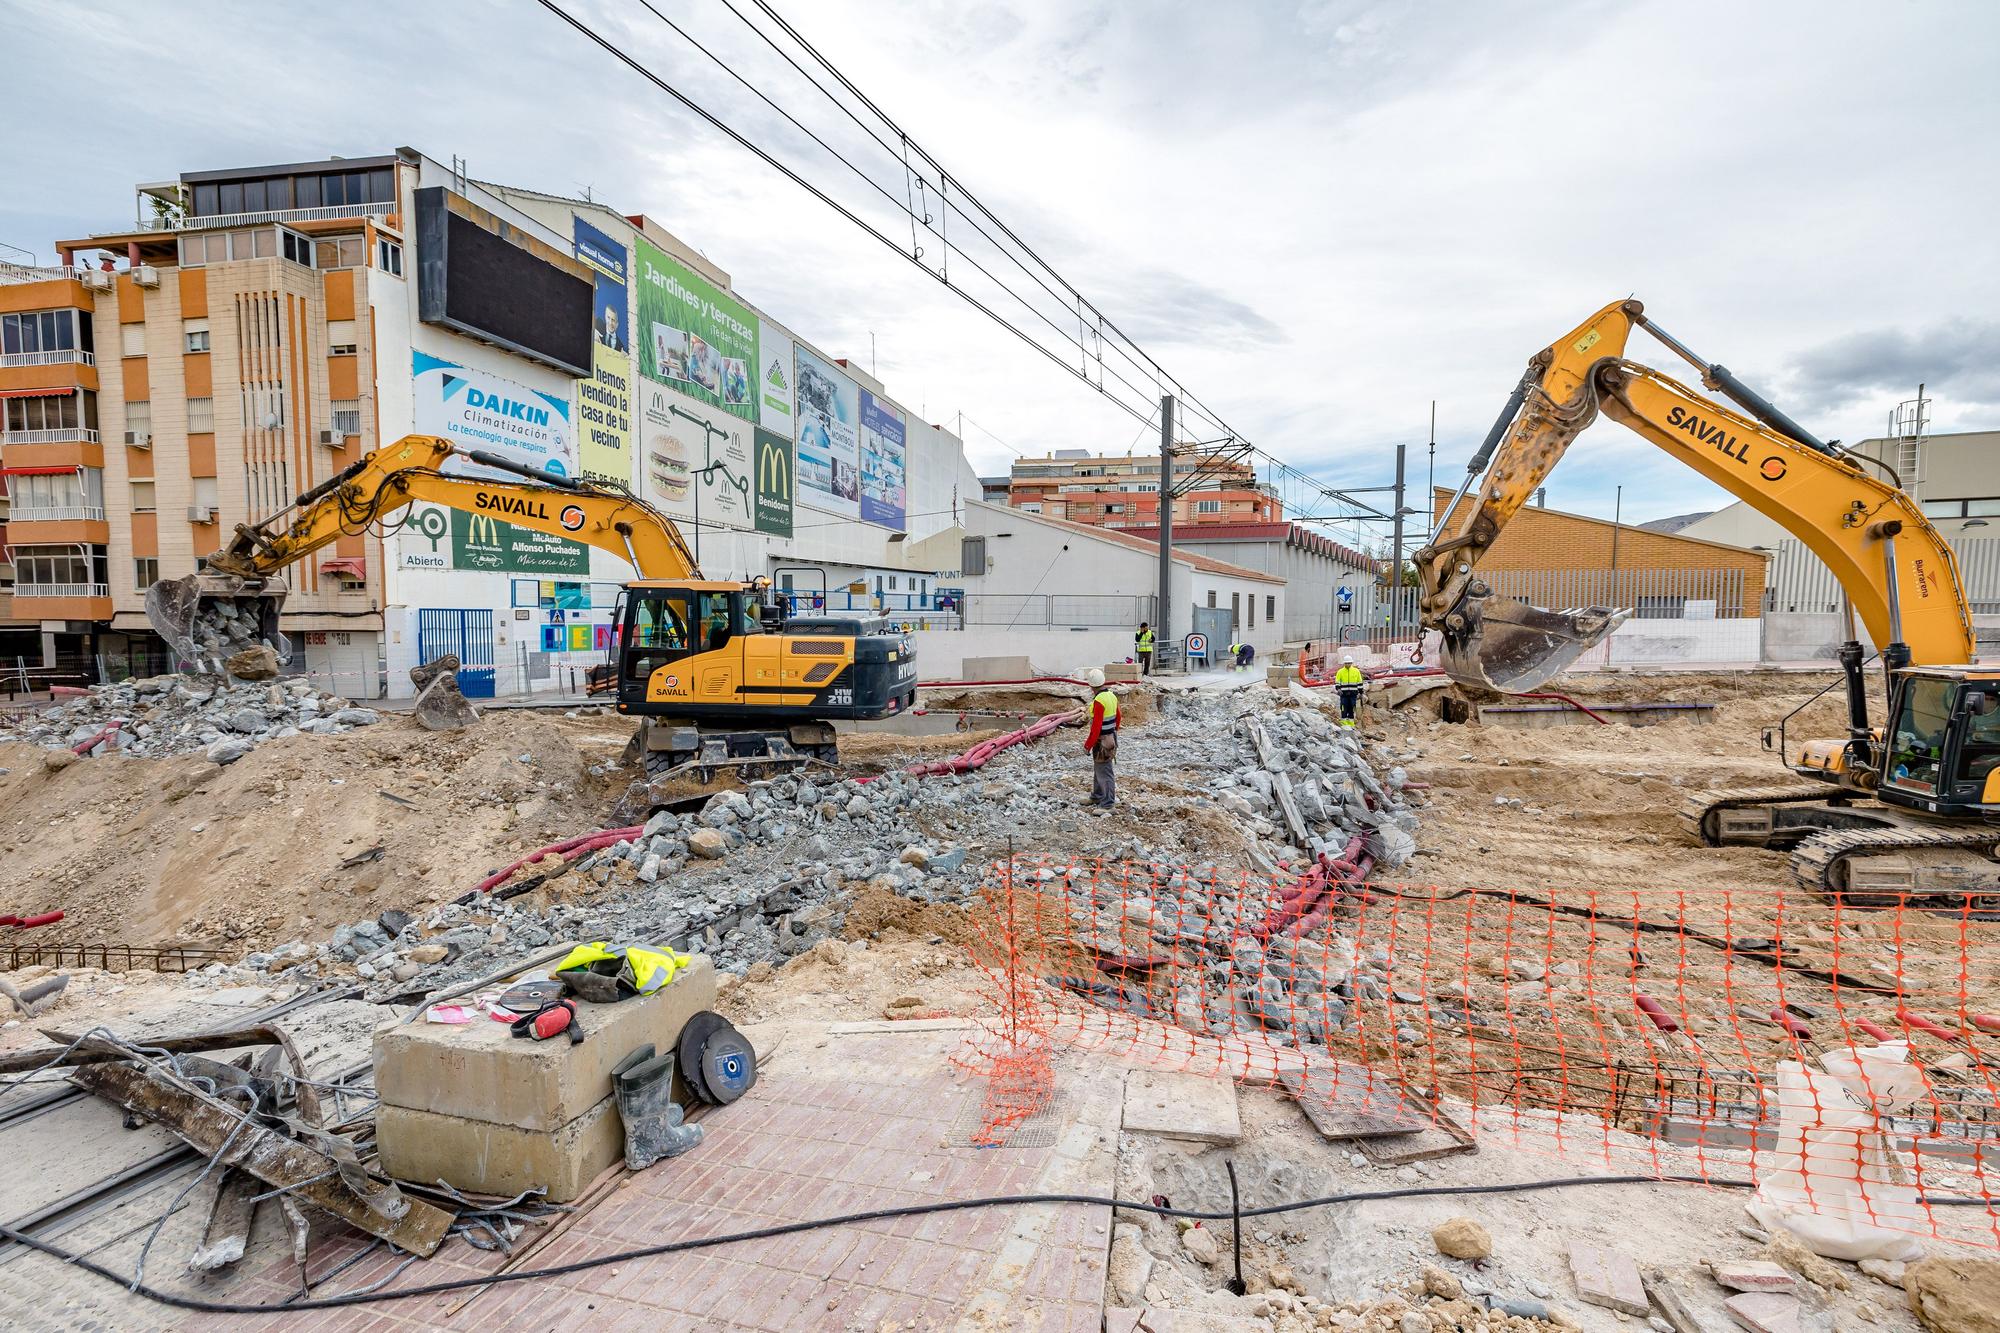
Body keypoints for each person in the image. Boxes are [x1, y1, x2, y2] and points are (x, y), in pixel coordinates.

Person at [1081, 667, 1119, 809]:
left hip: (1102, 740)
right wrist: (1113, 734)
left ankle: (1108, 804)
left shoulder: (1098, 701)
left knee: (1105, 770)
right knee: (1100, 768)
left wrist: (1088, 745)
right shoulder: (1111, 696)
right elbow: (1118, 717)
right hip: (1111, 736)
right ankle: (1097, 796)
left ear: (1090, 685)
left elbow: (1096, 728)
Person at [1334, 654, 1365, 728]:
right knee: (1343, 707)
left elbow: (1359, 682)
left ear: (1351, 663)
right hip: (1343, 694)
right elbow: (1337, 682)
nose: (1348, 664)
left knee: (1352, 707)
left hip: (1353, 693)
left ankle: (1351, 723)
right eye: (1346, 663)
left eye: (1349, 663)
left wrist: (1361, 693)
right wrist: (1338, 689)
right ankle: (1344, 722)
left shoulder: (1356, 671)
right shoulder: (1340, 672)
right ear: (1344, 663)